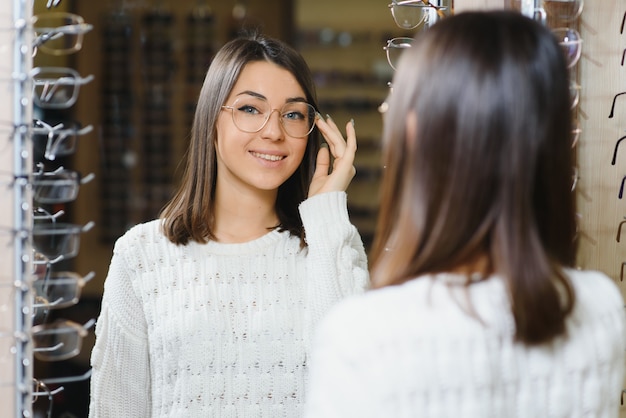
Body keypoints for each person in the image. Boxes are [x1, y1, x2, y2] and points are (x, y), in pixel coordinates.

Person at [304, 10, 626, 418]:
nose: (385, 110)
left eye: (397, 99)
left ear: (421, 132)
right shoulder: (600, 312)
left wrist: (323, 215)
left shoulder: (365, 340)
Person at [88, 33, 369, 417]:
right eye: (251, 109)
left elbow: (355, 393)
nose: (273, 131)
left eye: (293, 114)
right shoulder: (142, 256)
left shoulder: (331, 243)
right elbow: (115, 409)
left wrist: (326, 214)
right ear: (211, 120)